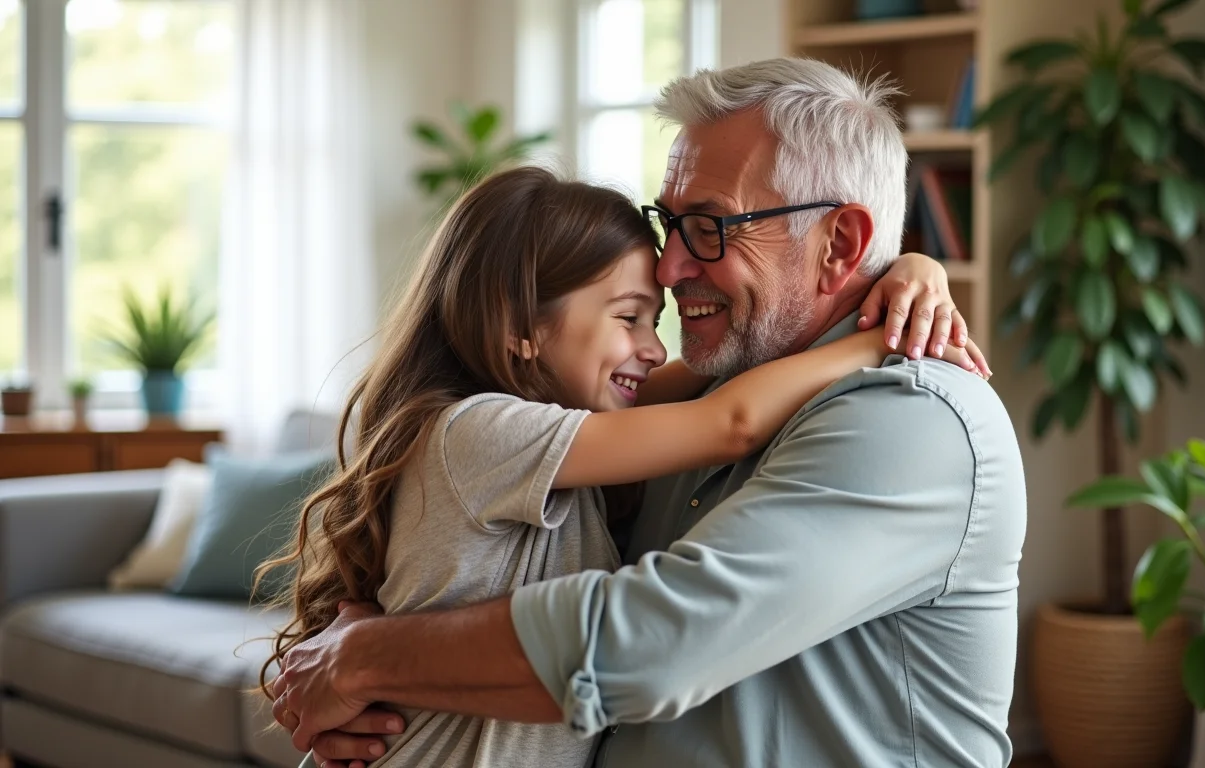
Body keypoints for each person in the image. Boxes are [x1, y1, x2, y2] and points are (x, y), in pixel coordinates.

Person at [272, 57, 1024, 768]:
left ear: (840, 245)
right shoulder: (701, 389)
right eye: (669, 225)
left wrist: (363, 659)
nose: (668, 268)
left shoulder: (909, 418)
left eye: (708, 227)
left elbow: (648, 643)